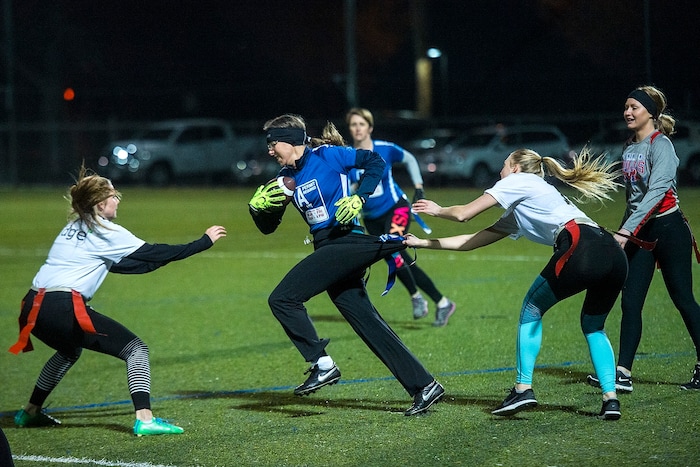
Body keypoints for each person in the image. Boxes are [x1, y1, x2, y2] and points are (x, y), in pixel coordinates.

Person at [406, 147, 627, 419]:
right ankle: (611, 399)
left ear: (515, 168)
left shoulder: (518, 181)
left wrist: (438, 211)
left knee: (531, 308)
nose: (500, 171)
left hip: (581, 248)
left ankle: (523, 389)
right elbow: (471, 241)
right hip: (614, 253)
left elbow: (464, 214)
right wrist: (422, 243)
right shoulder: (528, 199)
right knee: (594, 326)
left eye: (503, 165)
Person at [249, 113, 444, 416]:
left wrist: (359, 197)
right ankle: (424, 385)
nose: (269, 150)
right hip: (329, 250)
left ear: (290, 140)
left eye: (273, 143)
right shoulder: (285, 179)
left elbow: (375, 162)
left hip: (345, 242)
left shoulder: (327, 156)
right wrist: (258, 210)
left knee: (283, 299)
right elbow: (267, 228)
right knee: (368, 323)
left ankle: (322, 364)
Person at [9, 166, 227, 436]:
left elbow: (124, 265)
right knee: (136, 349)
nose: (118, 200)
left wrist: (154, 264)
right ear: (101, 205)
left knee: (68, 351)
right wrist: (202, 242)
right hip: (62, 307)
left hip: (33, 307)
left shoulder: (72, 227)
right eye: (113, 196)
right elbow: (153, 252)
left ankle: (30, 412)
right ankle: (145, 419)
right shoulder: (108, 231)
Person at [586, 85, 700, 392]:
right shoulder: (629, 146)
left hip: (668, 228)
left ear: (651, 112)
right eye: (626, 106)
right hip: (640, 233)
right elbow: (633, 199)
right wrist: (625, 231)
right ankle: (622, 372)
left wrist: (625, 232)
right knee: (631, 301)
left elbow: (656, 193)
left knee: (683, 299)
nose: (627, 112)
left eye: (634, 107)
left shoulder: (661, 145)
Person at [345, 107, 456, 326]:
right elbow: (348, 187)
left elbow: (411, 160)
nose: (357, 129)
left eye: (361, 124)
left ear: (370, 127)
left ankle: (418, 299)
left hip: (396, 208)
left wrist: (419, 187)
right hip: (371, 217)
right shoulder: (348, 156)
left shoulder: (384, 149)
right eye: (353, 125)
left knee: (394, 248)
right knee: (396, 257)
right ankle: (440, 302)